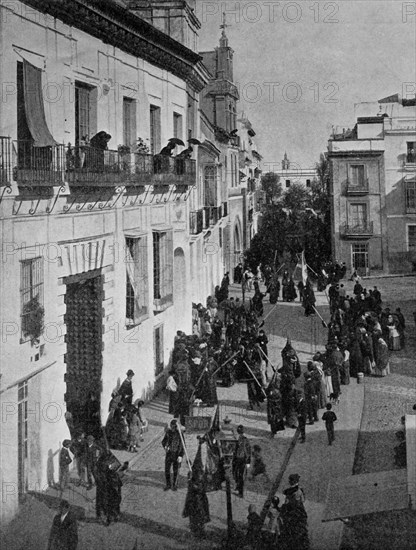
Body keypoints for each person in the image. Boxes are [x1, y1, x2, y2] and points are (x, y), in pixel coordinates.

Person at [280, 474, 309, 550]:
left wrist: (290, 504)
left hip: (295, 512)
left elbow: (299, 500)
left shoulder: (297, 490)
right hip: (293, 512)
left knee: (292, 532)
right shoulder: (295, 490)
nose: (289, 481)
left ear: (295, 481)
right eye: (290, 480)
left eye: (291, 480)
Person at [162, 419, 185, 491]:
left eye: (173, 427)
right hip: (169, 454)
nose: (171, 428)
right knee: (167, 470)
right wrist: (165, 446)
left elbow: (183, 446)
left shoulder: (180, 435)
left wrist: (180, 456)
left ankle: (175, 485)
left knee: (176, 470)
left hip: (176, 455)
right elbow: (163, 441)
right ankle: (168, 485)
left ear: (176, 427)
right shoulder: (168, 433)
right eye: (171, 426)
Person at [232, 424, 251, 498]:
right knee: (236, 473)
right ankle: (238, 486)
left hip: (242, 460)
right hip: (236, 459)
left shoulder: (245, 440)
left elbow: (248, 451)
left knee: (241, 476)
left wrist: (248, 462)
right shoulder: (238, 439)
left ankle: (241, 492)